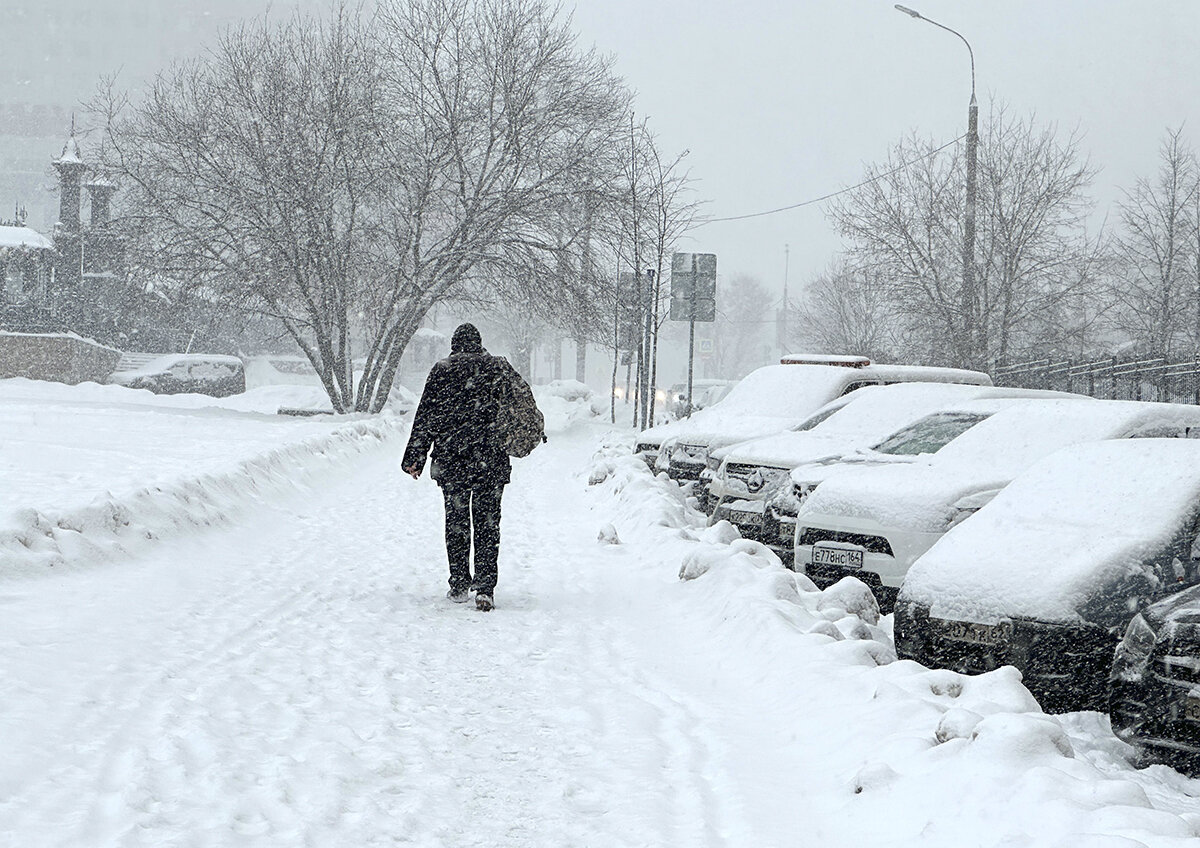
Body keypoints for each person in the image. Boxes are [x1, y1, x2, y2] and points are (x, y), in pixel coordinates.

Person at [401, 323, 524, 612]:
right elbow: (519, 407)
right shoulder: (497, 369)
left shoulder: (443, 370)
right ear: (479, 344)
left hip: (452, 461)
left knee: (456, 521)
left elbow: (425, 417)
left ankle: (458, 583)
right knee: (487, 524)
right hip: (490, 461)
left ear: (455, 346)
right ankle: (485, 589)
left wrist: (415, 458)